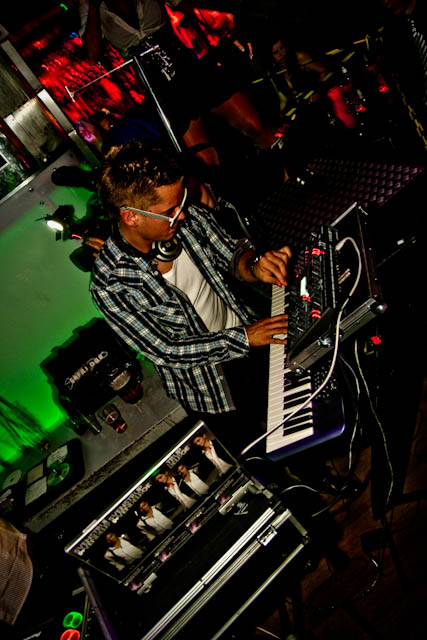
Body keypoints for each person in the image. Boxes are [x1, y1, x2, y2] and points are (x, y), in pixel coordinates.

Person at [90, 141, 291, 454]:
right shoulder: (110, 283)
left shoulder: (188, 218)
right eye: (169, 212)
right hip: (210, 387)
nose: (182, 215)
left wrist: (255, 265)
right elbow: (166, 349)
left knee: (296, 426)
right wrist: (244, 338)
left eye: (180, 204)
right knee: (260, 457)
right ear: (130, 216)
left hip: (254, 339)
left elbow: (232, 255)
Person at [79, 0, 285, 171]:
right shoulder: (89, 6)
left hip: (188, 67)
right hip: (159, 87)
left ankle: (288, 172)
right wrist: (94, 6)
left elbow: (185, 4)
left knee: (254, 124)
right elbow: (92, 53)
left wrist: (229, 20)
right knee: (205, 160)